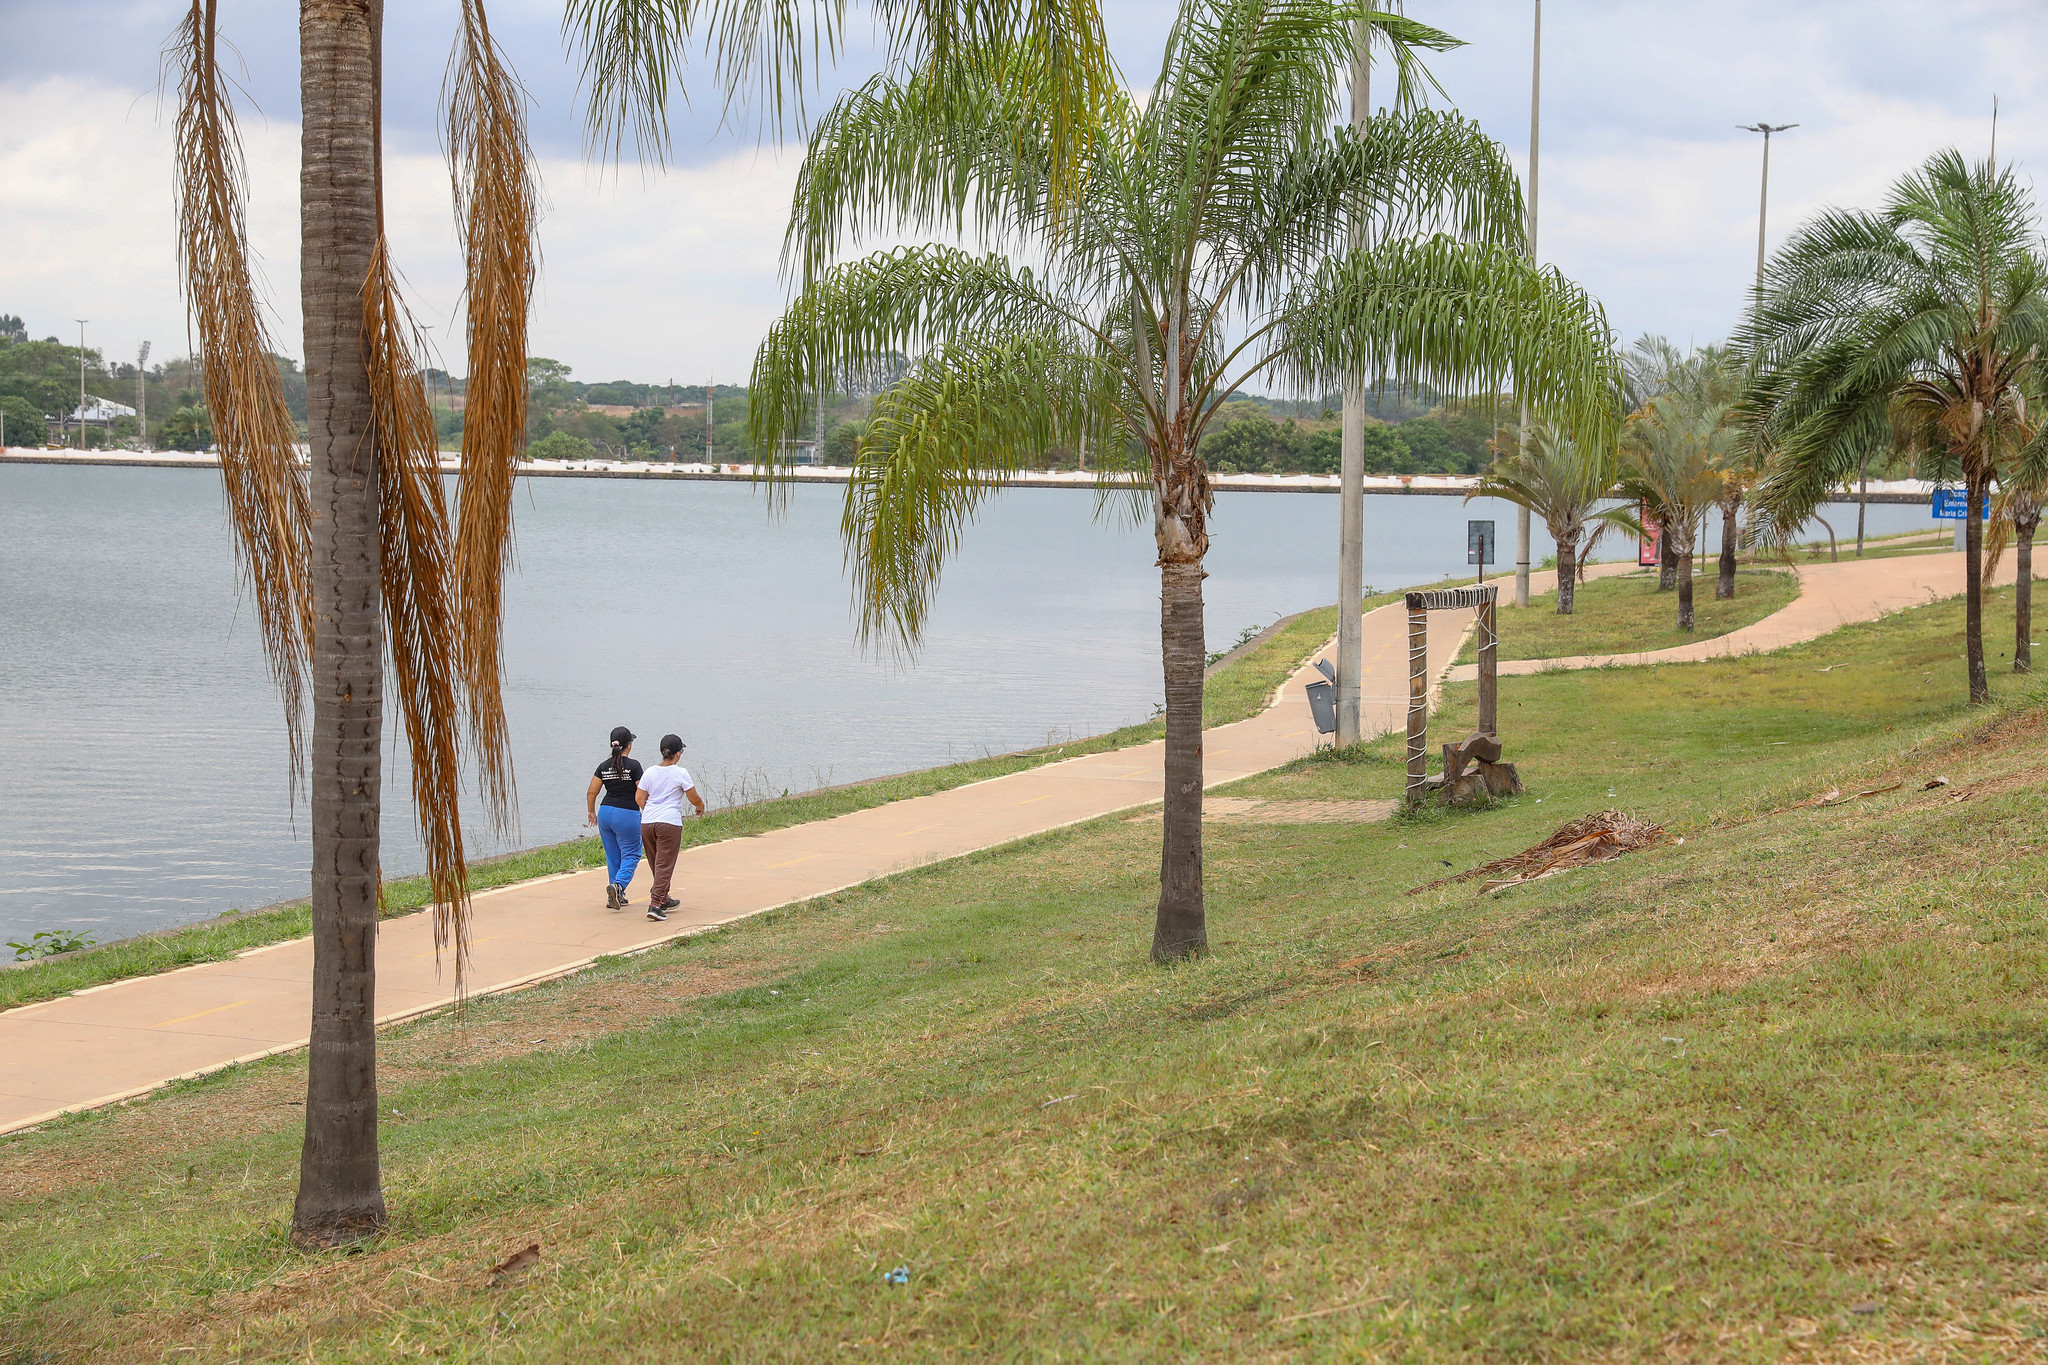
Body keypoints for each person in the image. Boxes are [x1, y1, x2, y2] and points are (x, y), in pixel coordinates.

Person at [636, 732, 705, 921]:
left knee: (656, 862)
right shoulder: (680, 773)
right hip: (669, 823)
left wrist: (651, 810)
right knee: (665, 864)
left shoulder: (649, 772)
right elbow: (693, 797)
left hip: (647, 822)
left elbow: (639, 798)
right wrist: (700, 807)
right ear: (678, 754)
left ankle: (664, 898)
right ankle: (655, 904)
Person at [585, 726, 643, 909]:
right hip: (626, 813)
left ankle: (615, 895)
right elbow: (642, 792)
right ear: (629, 745)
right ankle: (619, 886)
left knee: (613, 855)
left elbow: (592, 792)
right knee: (632, 853)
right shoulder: (634, 766)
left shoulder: (603, 766)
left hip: (605, 813)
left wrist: (591, 812)